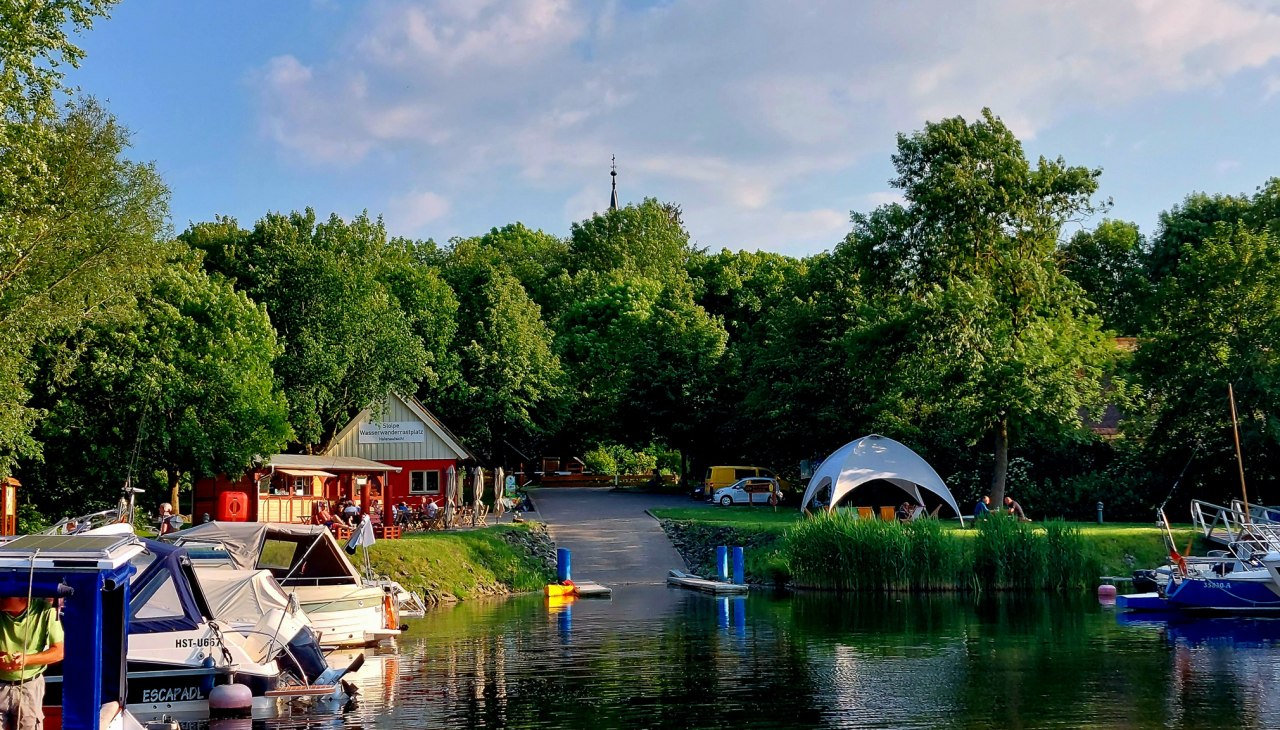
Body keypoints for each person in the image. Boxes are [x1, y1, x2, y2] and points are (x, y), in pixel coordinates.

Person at [0, 596, 64, 730]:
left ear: (23, 597)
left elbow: (59, 652)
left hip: (30, 686)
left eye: (5, 596)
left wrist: (27, 659)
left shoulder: (46, 610)